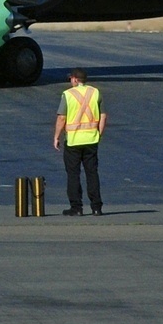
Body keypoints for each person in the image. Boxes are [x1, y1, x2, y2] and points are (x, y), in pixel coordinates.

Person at [52, 68, 106, 216]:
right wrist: (98, 134)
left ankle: (76, 207)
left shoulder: (68, 95)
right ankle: (97, 207)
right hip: (91, 139)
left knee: (73, 174)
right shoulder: (95, 92)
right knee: (92, 173)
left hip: (74, 141)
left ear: (75, 79)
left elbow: (61, 118)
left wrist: (56, 136)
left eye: (71, 79)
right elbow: (103, 116)